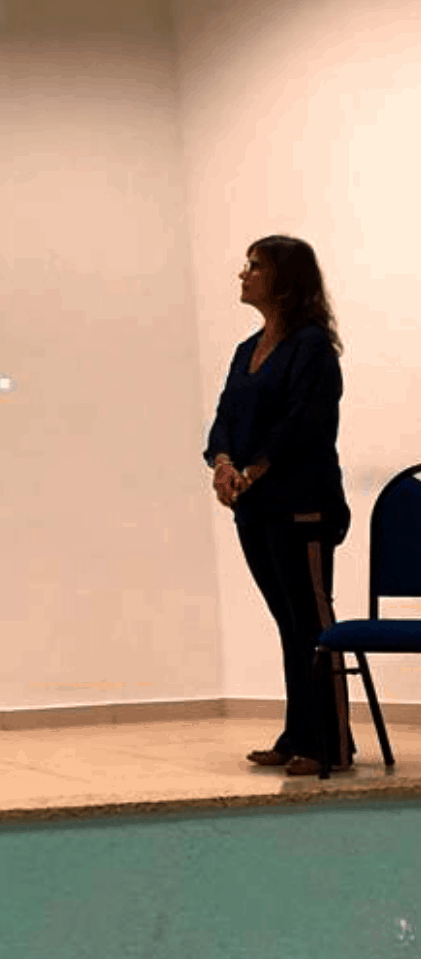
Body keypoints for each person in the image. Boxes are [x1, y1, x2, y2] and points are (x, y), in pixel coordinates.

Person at [205, 235, 354, 776]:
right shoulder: (247, 349)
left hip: (302, 504)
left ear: (286, 281)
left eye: (255, 266)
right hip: (256, 507)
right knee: (287, 622)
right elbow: (226, 415)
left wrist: (254, 470)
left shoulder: (312, 347)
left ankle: (332, 743)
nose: (243, 274)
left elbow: (304, 422)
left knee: (312, 623)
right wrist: (223, 463)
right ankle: (298, 735)